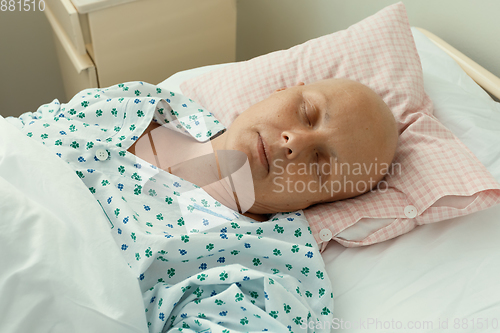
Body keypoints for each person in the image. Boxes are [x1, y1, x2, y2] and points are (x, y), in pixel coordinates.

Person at [128, 78, 399, 221]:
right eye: (306, 112)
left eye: (320, 164)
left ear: (311, 204)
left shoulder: (258, 270)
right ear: (280, 91)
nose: (295, 142)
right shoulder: (139, 103)